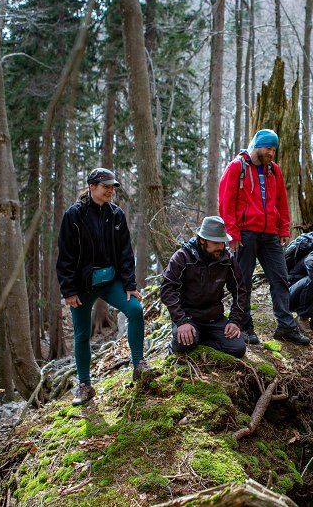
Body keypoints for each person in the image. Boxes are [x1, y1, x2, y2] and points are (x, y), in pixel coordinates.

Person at [56, 167, 148, 406]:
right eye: (105, 186)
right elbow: (65, 256)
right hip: (83, 286)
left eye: (112, 187)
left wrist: (129, 284)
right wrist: (68, 290)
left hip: (111, 281)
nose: (110, 191)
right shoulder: (74, 215)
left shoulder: (116, 215)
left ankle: (139, 365)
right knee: (82, 334)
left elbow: (126, 252)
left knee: (135, 310)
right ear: (92, 186)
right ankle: (85, 385)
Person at [218, 128, 310, 345]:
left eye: (274, 150)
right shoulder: (236, 167)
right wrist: (232, 233)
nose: (271, 153)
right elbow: (225, 202)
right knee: (243, 281)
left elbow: (281, 201)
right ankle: (245, 326)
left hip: (270, 234)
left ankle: (286, 326)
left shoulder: (274, 170)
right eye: (268, 148)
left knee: (281, 278)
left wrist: (284, 229)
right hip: (245, 234)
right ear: (258, 146)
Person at [160, 216, 248, 358]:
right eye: (216, 243)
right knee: (183, 344)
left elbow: (240, 291)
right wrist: (181, 321)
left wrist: (234, 321)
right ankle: (186, 341)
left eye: (222, 242)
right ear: (202, 240)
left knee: (238, 349)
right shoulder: (182, 257)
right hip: (188, 317)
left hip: (215, 319)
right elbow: (167, 290)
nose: (221, 247)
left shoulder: (227, 260)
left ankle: (199, 340)